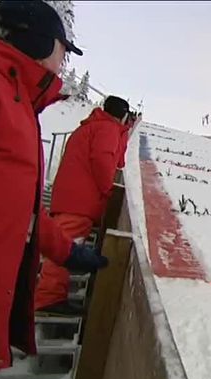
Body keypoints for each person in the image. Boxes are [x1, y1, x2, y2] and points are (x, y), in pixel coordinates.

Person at [0, 0, 108, 372]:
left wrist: (65, 251)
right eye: (61, 49)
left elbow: (15, 205)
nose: (63, 61)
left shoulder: (18, 101)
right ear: (37, 42)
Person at [35, 96, 131, 315]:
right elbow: (104, 160)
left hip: (72, 197)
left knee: (64, 244)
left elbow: (119, 160)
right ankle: (47, 297)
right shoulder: (107, 129)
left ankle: (49, 294)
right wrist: (108, 189)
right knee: (65, 246)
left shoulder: (93, 126)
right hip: (80, 201)